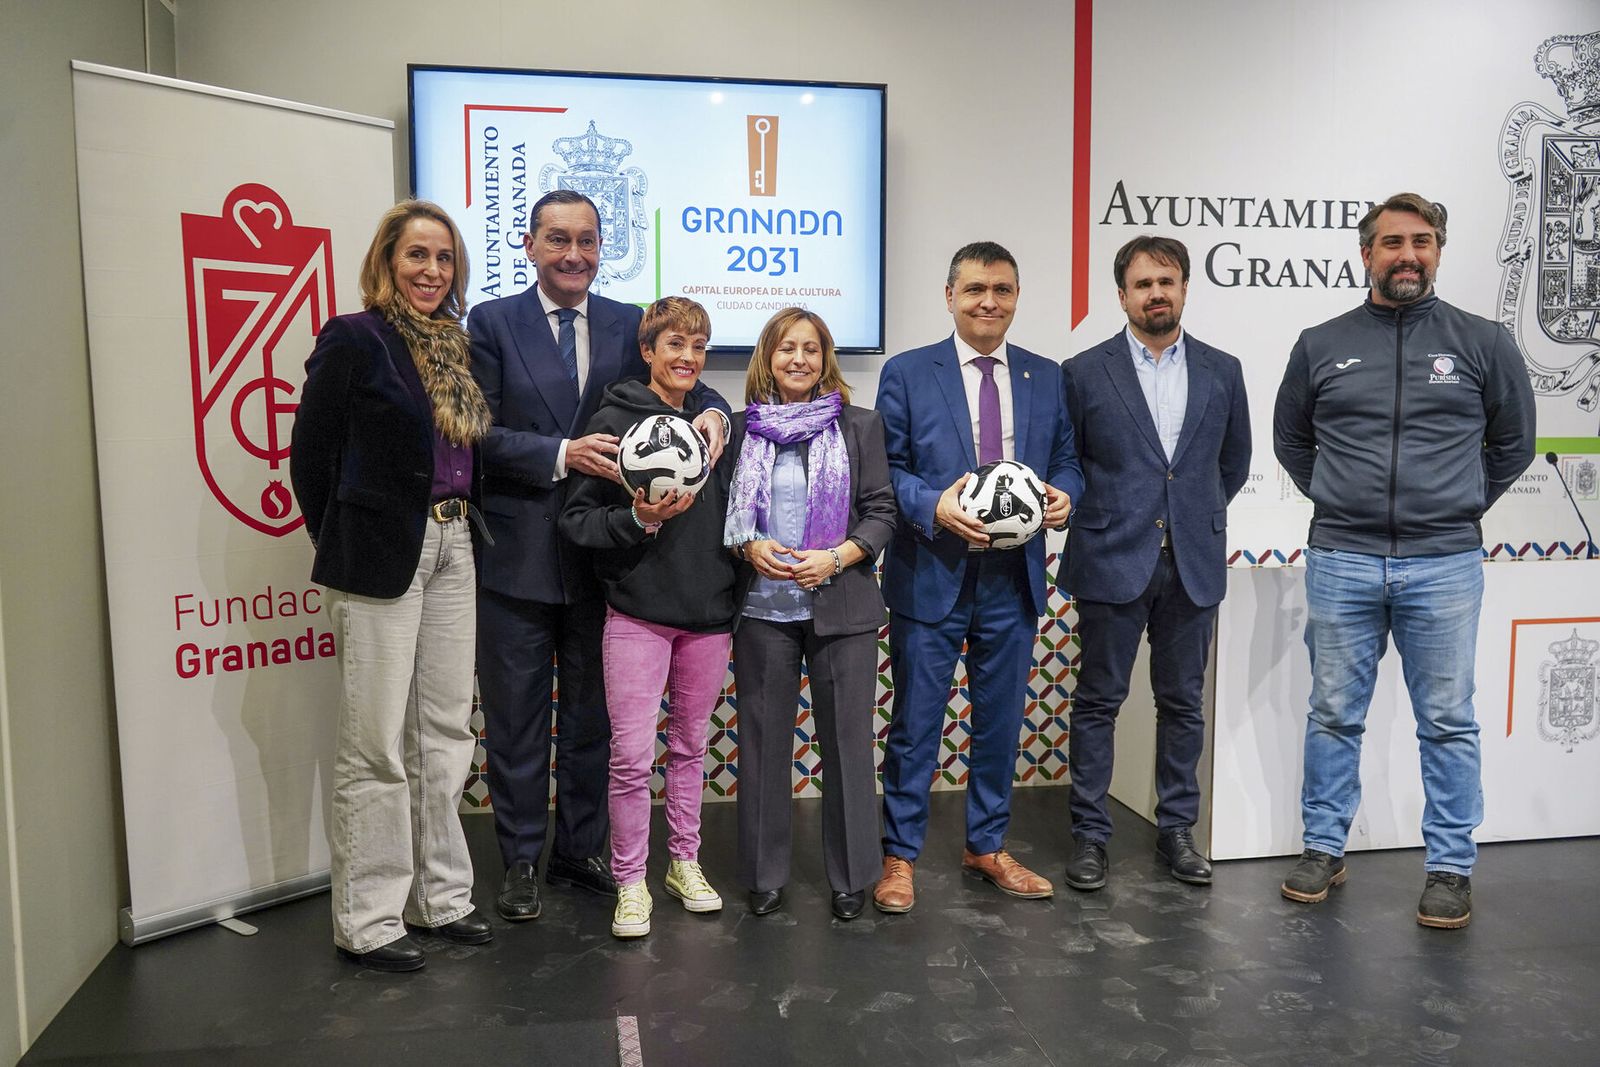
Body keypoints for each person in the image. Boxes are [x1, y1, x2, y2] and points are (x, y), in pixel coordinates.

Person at [1273, 192, 1535, 929]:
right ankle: (1324, 847)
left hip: (1444, 563)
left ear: (1439, 251)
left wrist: (1456, 503)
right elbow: (1292, 440)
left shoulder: (1483, 341)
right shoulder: (1321, 343)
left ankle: (1450, 866)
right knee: (1333, 713)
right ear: (1367, 254)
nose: (1408, 255)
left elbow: (1513, 444)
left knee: (1447, 720)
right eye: (1392, 242)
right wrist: (1340, 496)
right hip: (1342, 558)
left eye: (1422, 241)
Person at [467, 191, 730, 922]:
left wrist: (716, 411)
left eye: (586, 240)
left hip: (606, 566)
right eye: (558, 239)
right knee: (518, 721)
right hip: (518, 556)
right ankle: (521, 860)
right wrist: (560, 453)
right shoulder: (491, 322)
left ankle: (579, 851)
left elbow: (678, 381)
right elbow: (474, 431)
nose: (573, 254)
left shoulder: (624, 321)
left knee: (594, 724)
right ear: (529, 245)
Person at [290, 200, 494, 971]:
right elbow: (310, 456)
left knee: (443, 732)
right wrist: (342, 538)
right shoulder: (354, 337)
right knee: (374, 741)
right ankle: (370, 918)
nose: (431, 270)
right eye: (416, 255)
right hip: (380, 550)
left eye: (443, 257)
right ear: (386, 261)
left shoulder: (456, 346)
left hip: (455, 545)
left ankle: (439, 897)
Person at [873, 241, 1084, 913]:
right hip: (930, 571)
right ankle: (899, 856)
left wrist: (1066, 495)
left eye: (1002, 289)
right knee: (915, 725)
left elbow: (1068, 460)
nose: (988, 301)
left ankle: (986, 845)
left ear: (1016, 297)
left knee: (999, 723)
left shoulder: (1045, 376)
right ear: (949, 296)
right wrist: (933, 505)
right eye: (974, 289)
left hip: (1013, 579)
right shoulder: (908, 372)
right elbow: (887, 470)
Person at [1059, 236, 1251, 892]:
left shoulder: (1224, 370)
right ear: (1122, 296)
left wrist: (1190, 516)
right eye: (1142, 284)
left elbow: (1233, 463)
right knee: (1098, 701)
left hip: (1193, 562)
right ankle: (1090, 835)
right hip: (1111, 557)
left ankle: (1177, 830)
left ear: (1185, 288)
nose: (1156, 293)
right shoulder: (1084, 371)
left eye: (1166, 281)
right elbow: (1071, 461)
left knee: (1183, 703)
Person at [560, 297, 736, 938]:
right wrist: (637, 519)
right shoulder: (612, 421)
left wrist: (719, 414)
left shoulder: (716, 425)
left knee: (690, 749)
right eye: (675, 345)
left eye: (698, 347)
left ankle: (683, 863)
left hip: (709, 616)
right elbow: (577, 520)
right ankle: (631, 880)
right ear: (648, 351)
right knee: (631, 758)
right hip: (636, 615)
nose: (687, 357)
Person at [724, 309, 897, 921]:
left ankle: (852, 877)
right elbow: (726, 517)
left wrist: (837, 557)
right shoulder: (740, 430)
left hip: (842, 606)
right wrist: (748, 546)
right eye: (786, 348)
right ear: (767, 359)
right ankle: (764, 874)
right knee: (762, 745)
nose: (798, 359)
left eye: (811, 349)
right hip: (763, 611)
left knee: (848, 745)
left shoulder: (860, 425)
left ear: (826, 360)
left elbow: (882, 511)